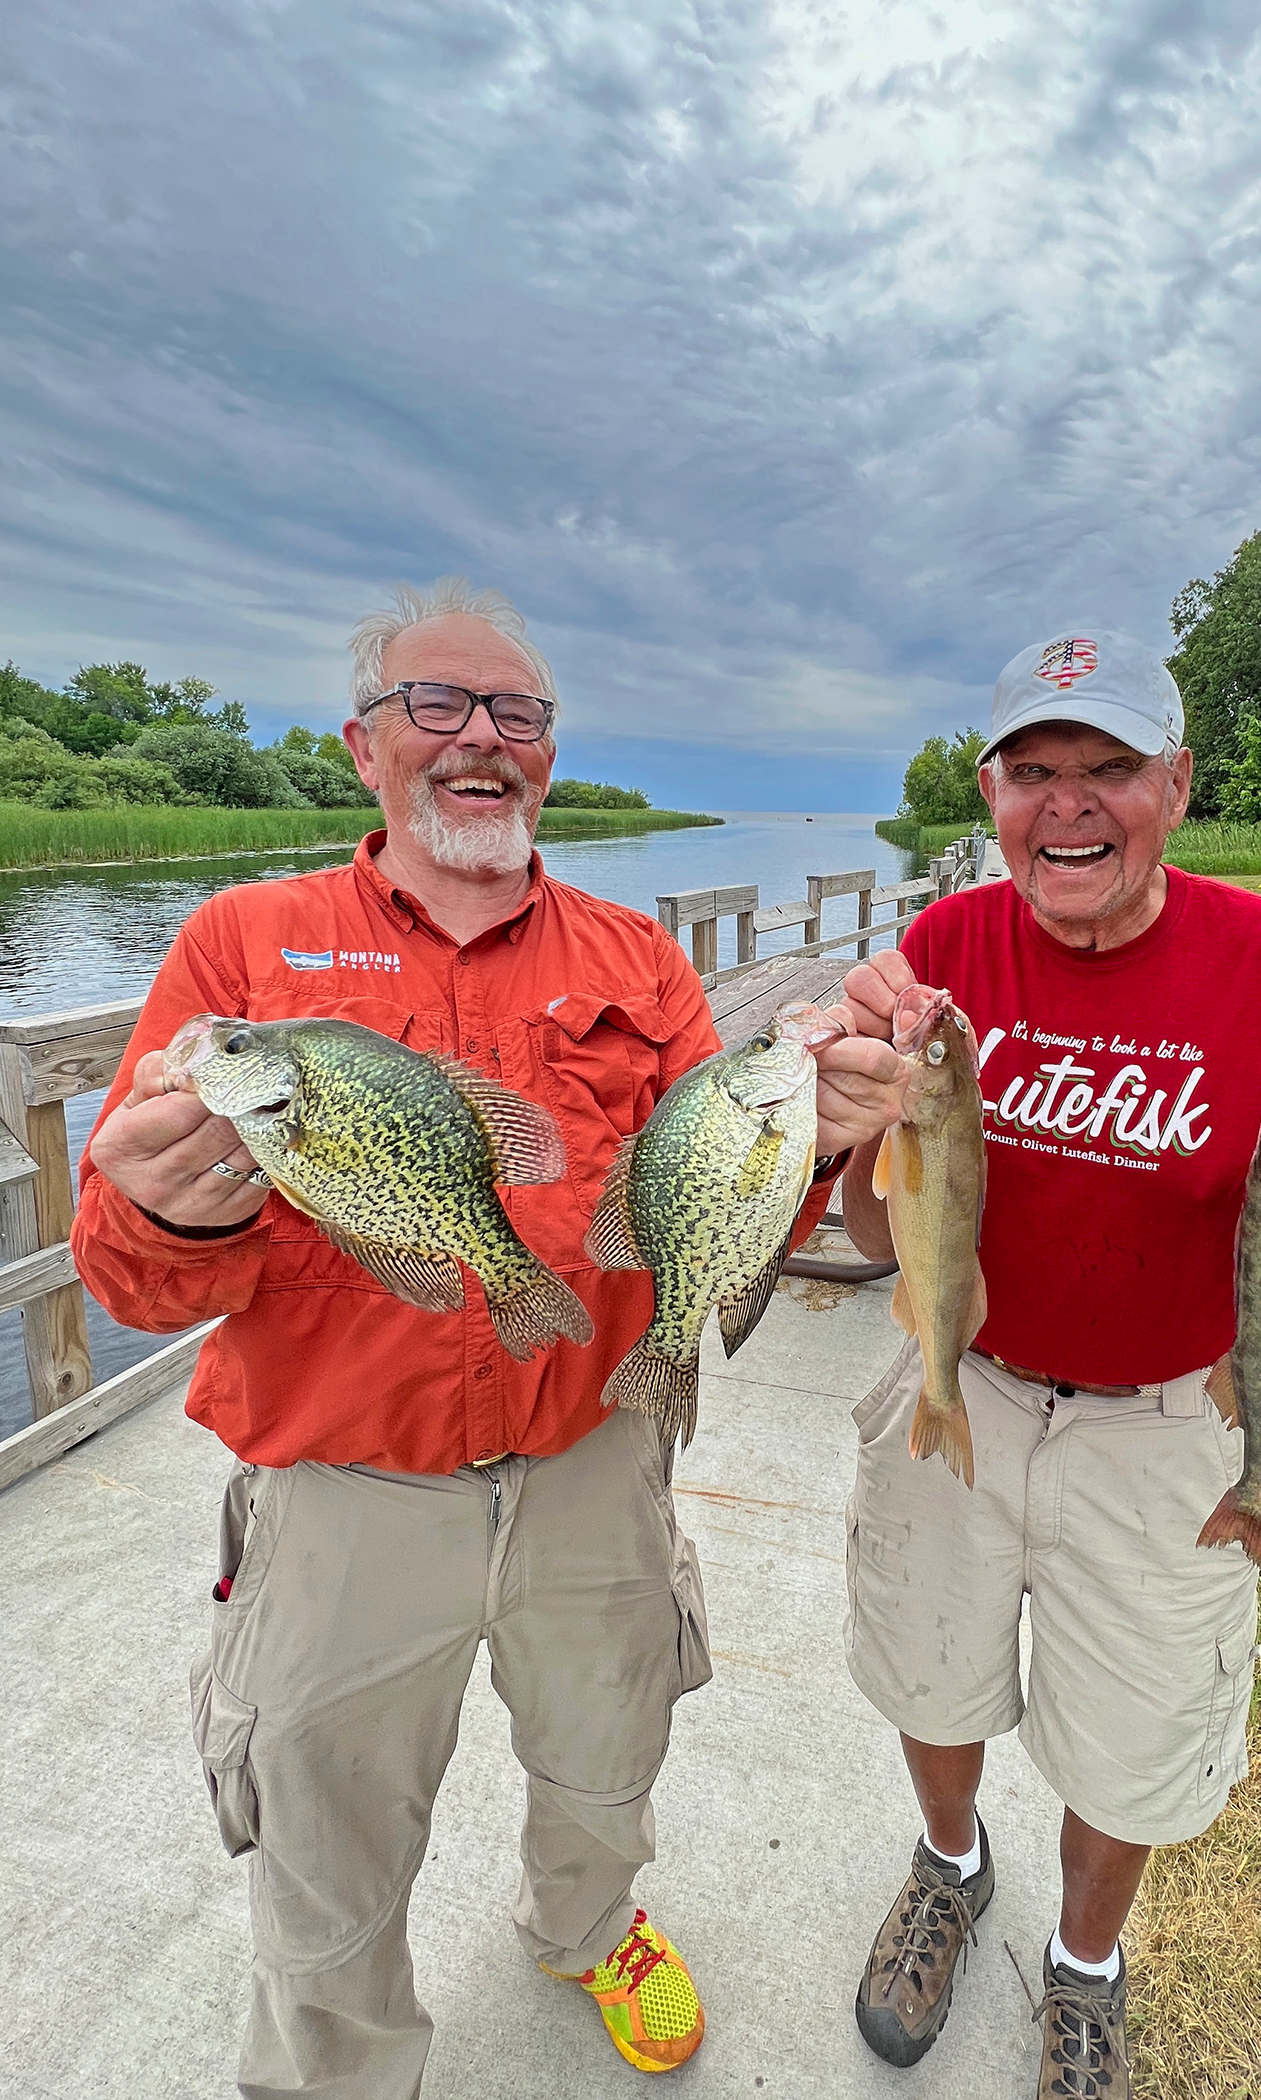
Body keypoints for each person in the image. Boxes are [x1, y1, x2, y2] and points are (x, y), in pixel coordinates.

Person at [72, 578, 907, 2100]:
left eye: (516, 714)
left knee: (606, 1759)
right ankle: (340, 2066)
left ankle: (586, 1929)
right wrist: (177, 1216)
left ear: (547, 751)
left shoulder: (635, 959)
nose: (480, 739)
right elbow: (130, 1284)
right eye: (437, 707)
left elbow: (695, 1203)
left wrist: (813, 1151)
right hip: (343, 1490)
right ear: (363, 747)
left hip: (595, 1458)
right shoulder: (239, 948)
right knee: (325, 1834)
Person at [836, 630, 1261, 2097]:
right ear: (991, 797)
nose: (1070, 804)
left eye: (1110, 768)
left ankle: (1086, 1967)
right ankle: (948, 1864)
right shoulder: (944, 960)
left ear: (1176, 788)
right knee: (932, 1671)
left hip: (1175, 1416)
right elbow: (877, 1226)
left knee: (1131, 1745)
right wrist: (848, 1127)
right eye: (1035, 771)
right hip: (967, 1380)